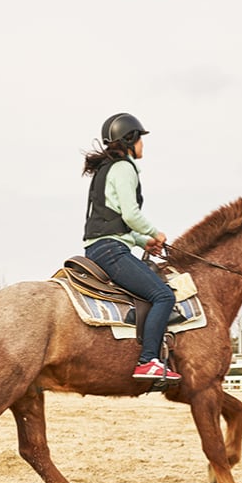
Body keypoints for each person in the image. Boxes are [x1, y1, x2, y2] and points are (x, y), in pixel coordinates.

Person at [81, 113, 181, 382]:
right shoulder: (124, 168)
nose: (143, 144)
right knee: (163, 296)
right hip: (111, 250)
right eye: (140, 139)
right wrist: (155, 233)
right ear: (130, 139)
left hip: (98, 247)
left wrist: (142, 242)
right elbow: (131, 215)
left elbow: (113, 221)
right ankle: (148, 360)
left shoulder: (105, 169)